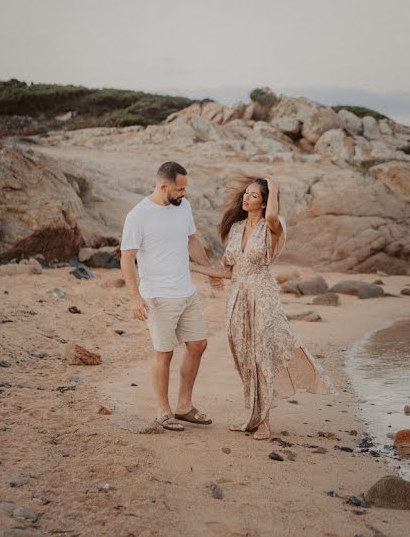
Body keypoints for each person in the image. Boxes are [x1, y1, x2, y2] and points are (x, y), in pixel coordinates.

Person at [190, 175, 333, 440]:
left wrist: (275, 188)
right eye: (246, 193)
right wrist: (194, 267)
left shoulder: (273, 227)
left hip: (264, 297)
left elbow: (272, 218)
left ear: (265, 202)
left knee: (263, 355)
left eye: (253, 195)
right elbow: (229, 272)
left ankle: (265, 421)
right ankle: (253, 418)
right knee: (244, 358)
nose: (246, 198)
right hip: (237, 299)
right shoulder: (236, 229)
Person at [120, 161, 221, 431]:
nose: (184, 193)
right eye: (179, 189)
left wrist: (210, 271)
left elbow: (191, 240)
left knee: (198, 345)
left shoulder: (183, 206)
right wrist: (134, 298)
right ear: (164, 187)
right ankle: (163, 411)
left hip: (186, 291)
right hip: (157, 295)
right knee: (163, 353)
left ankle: (184, 406)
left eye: (185, 188)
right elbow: (127, 258)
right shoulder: (138, 216)